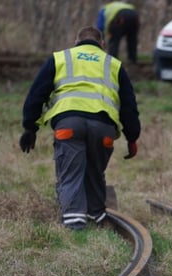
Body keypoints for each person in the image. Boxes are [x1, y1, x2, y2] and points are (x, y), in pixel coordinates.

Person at [19, 26, 141, 230]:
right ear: (102, 45)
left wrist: (30, 128)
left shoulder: (61, 58)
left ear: (76, 42)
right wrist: (132, 138)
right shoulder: (113, 64)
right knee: (95, 173)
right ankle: (97, 216)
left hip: (69, 125)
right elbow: (129, 105)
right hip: (104, 128)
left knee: (70, 173)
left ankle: (75, 223)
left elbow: (36, 94)